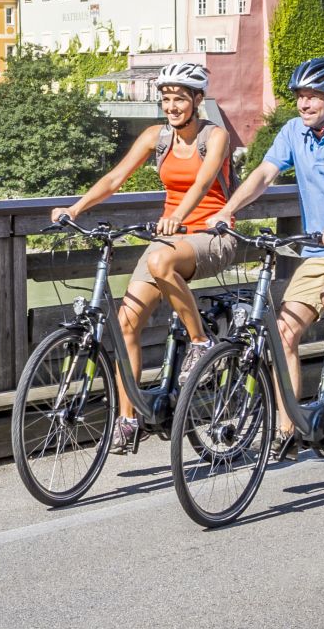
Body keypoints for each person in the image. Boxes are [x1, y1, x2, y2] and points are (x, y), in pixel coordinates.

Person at [208, 57, 324, 459]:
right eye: (299, 97)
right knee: (285, 331)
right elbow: (263, 174)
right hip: (319, 249)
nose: (304, 104)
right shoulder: (295, 132)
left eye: (312, 96)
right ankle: (289, 429)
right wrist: (228, 210)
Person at [52, 61, 240, 453]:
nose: (172, 107)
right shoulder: (157, 137)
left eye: (180, 99)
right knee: (125, 324)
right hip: (170, 240)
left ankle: (200, 342)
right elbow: (114, 178)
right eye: (166, 99)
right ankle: (128, 418)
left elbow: (205, 180)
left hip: (212, 235)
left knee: (159, 262)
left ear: (198, 100)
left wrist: (176, 217)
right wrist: (75, 209)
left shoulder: (215, 135)